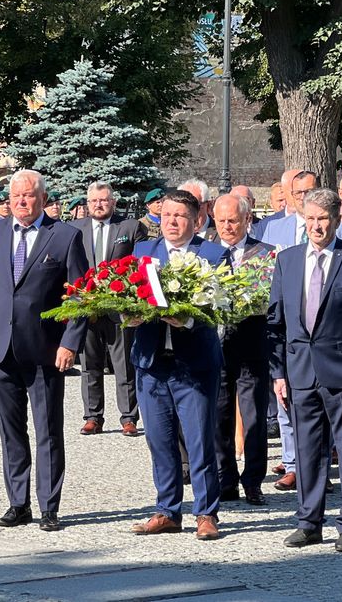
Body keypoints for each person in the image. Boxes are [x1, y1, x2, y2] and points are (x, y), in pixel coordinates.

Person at [0, 169, 88, 533]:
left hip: (46, 351)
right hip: (0, 352)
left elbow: (80, 295)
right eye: (15, 195)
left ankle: (49, 506)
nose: (20, 201)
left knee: (48, 430)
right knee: (11, 431)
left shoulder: (65, 236)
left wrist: (70, 342)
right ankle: (18, 503)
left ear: (42, 198)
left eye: (28, 195)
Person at [268, 188, 342, 553]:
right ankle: (308, 522)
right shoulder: (287, 261)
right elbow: (277, 323)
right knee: (306, 451)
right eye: (311, 219)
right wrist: (279, 373)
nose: (317, 226)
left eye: (324, 219)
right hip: (300, 371)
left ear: (336, 221)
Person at [128, 190, 228, 541]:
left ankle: (206, 512)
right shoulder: (143, 252)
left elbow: (221, 308)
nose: (171, 221)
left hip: (194, 365)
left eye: (179, 216)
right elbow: (125, 294)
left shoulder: (214, 254)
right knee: (159, 439)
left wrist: (185, 320)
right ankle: (167, 510)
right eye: (166, 215)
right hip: (152, 363)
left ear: (196, 220)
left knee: (200, 441)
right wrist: (128, 315)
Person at [70, 181, 146, 436]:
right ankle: (93, 416)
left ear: (113, 202)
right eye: (94, 201)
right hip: (88, 307)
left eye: (103, 200)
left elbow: (140, 265)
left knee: (124, 364)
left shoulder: (130, 227)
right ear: (87, 203)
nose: (99, 205)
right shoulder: (75, 230)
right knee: (89, 364)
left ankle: (128, 417)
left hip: (118, 308)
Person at [212, 193, 272, 506]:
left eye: (232, 220)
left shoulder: (266, 253)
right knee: (219, 415)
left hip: (252, 345)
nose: (226, 226)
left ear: (247, 220)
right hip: (216, 348)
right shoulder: (206, 253)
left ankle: (253, 481)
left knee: (254, 417)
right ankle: (226, 479)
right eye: (221, 221)